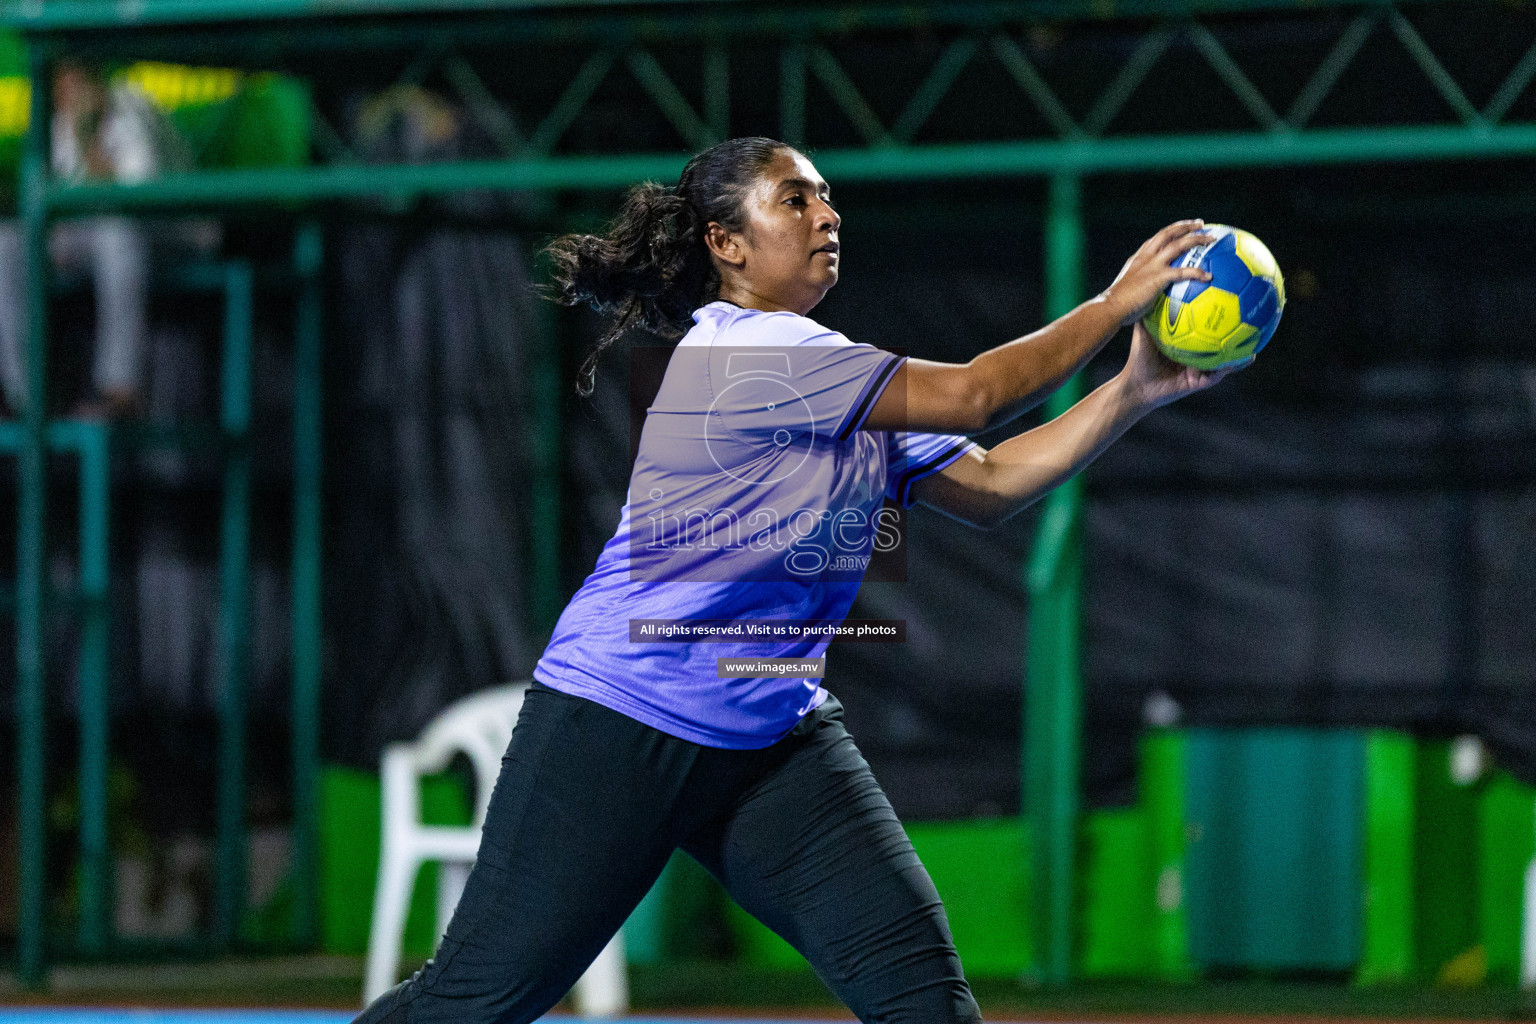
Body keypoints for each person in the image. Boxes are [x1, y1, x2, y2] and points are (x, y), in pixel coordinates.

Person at [353, 136, 1236, 1024]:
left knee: (924, 1002)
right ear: (725, 244)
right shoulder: (746, 360)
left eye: (827, 198)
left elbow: (994, 484)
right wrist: (1114, 305)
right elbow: (974, 396)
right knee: (475, 1001)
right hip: (622, 719)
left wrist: (1133, 390)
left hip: (773, 736)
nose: (827, 214)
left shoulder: (840, 374)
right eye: (795, 200)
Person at [0, 59, 197, 419]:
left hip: (176, 233)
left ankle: (120, 390)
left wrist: (90, 140)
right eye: (60, 77)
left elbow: (138, 201)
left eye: (73, 75)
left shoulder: (131, 107)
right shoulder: (55, 121)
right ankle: (24, 398)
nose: (66, 86)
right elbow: (58, 205)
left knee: (116, 229)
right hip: (102, 240)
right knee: (8, 242)